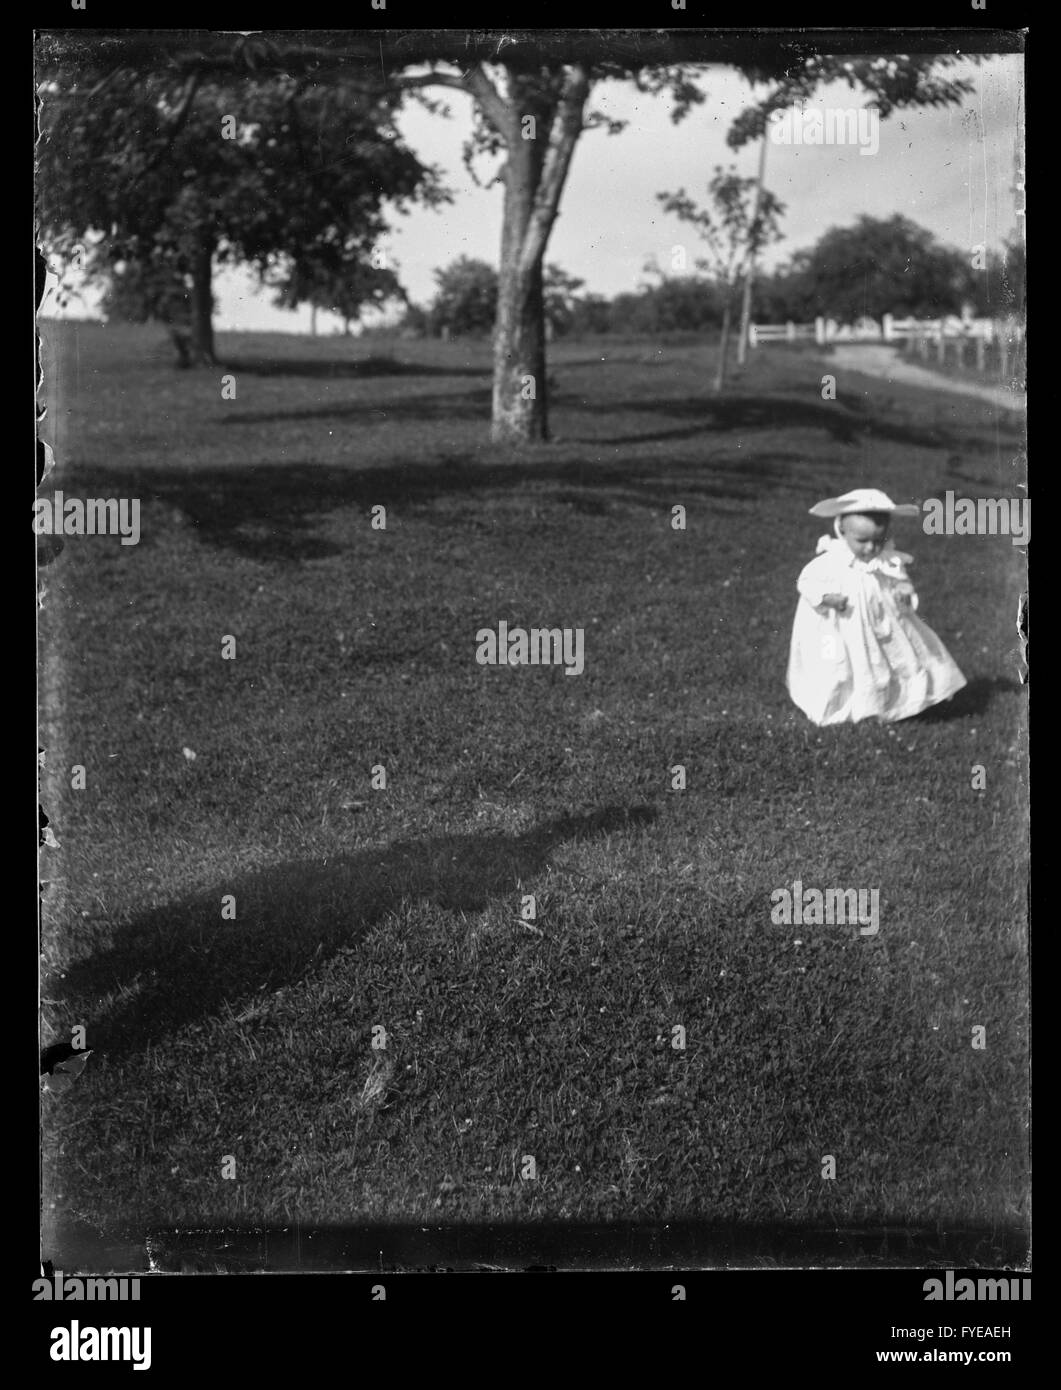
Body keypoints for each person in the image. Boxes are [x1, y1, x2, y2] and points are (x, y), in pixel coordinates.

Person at [786, 488, 966, 725]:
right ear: (842, 530)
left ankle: (892, 704)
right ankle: (845, 706)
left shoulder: (888, 560)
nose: (870, 548)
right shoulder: (831, 560)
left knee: (889, 659)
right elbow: (806, 582)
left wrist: (904, 594)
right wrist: (825, 597)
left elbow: (901, 582)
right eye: (862, 541)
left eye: (877, 541)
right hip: (843, 625)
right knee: (845, 665)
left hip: (884, 622)